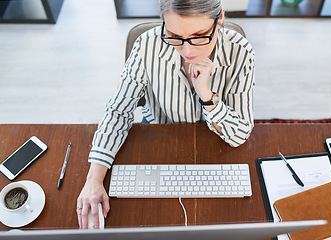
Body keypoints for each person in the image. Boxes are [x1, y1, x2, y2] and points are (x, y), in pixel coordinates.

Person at [77, 0, 255, 229]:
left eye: (199, 35)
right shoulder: (146, 45)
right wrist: (94, 179)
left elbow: (240, 135)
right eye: (174, 36)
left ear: (219, 18)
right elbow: (119, 111)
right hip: (159, 140)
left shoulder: (241, 52)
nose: (188, 51)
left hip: (216, 147)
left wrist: (207, 95)